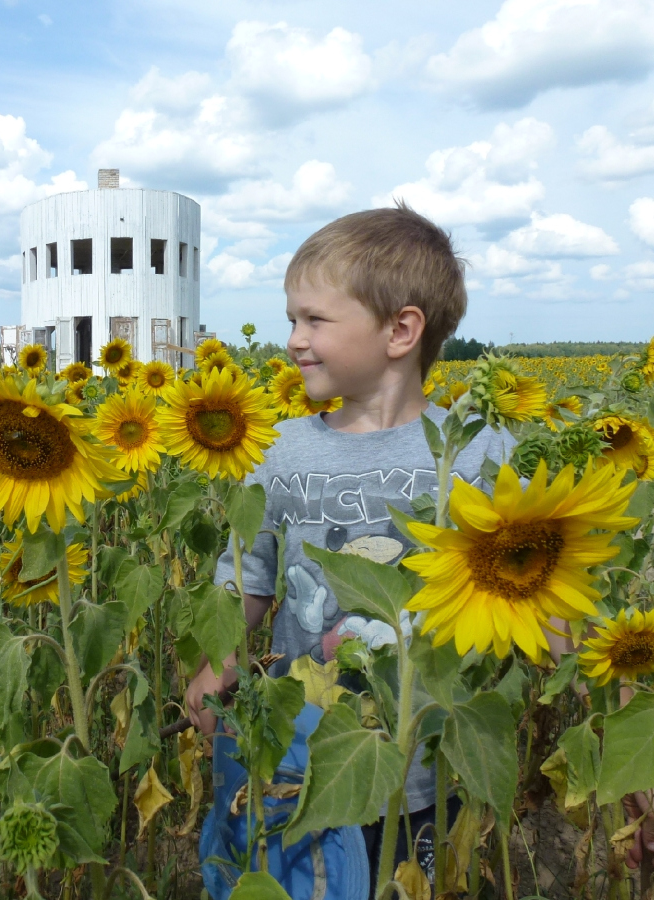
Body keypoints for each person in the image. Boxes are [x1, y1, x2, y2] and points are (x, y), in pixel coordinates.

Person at [185, 203, 509, 887]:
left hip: (429, 760)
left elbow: (547, 583)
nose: (296, 340)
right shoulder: (282, 450)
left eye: (315, 320)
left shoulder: (477, 453)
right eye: (291, 321)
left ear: (401, 329)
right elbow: (250, 576)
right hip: (303, 750)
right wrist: (217, 664)